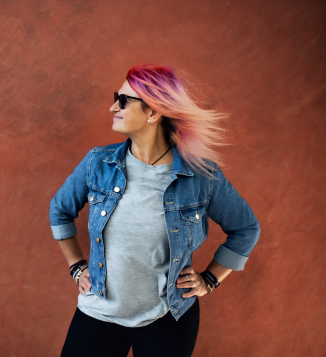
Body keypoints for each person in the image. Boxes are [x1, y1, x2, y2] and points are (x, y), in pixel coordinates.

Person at [49, 64, 260, 357]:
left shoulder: (200, 176)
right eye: (115, 97)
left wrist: (210, 280)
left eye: (123, 101)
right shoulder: (97, 163)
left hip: (169, 317)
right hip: (99, 312)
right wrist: (76, 266)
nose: (112, 107)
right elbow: (59, 210)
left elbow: (246, 228)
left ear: (153, 112)